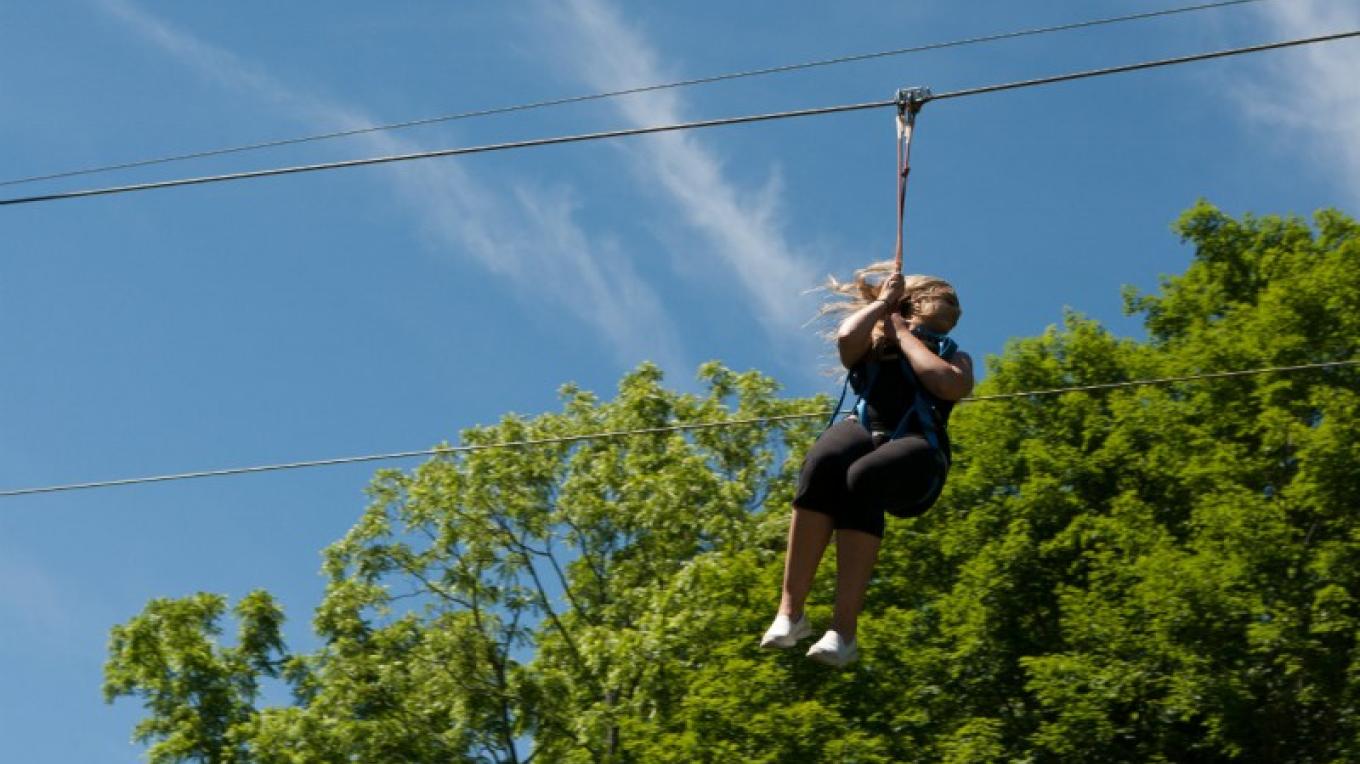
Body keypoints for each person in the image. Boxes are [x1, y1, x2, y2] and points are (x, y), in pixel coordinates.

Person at [761, 262, 974, 667]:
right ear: (913, 301)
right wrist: (882, 308)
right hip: (866, 431)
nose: (955, 306)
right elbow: (846, 338)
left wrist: (902, 333)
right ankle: (791, 612)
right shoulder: (873, 346)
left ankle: (843, 631)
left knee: (866, 477)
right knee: (825, 459)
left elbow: (945, 384)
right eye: (944, 297)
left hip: (918, 455)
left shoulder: (954, 355)